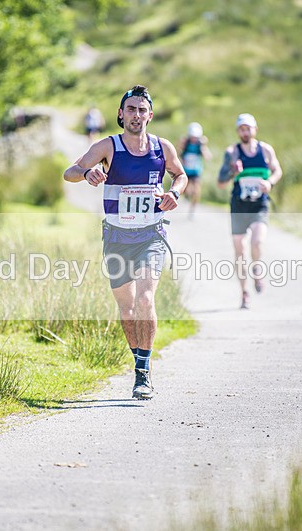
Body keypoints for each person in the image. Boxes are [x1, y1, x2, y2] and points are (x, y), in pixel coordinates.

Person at [64, 85, 188, 399]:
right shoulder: (108, 146)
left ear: (150, 114)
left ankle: (143, 374)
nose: (136, 115)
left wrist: (174, 193)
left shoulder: (163, 147)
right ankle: (139, 359)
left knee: (146, 300)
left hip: (150, 236)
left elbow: (181, 175)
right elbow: (70, 172)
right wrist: (88, 172)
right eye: (130, 109)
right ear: (121, 114)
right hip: (117, 238)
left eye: (142, 109)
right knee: (128, 309)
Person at [217, 113, 282, 310]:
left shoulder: (266, 150)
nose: (245, 132)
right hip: (239, 206)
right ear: (238, 132)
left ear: (255, 129)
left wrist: (269, 182)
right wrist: (232, 172)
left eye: (248, 128)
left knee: (257, 241)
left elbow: (278, 170)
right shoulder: (232, 153)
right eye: (241, 129)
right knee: (240, 251)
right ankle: (244, 292)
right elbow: (220, 183)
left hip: (259, 204)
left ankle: (257, 270)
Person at [177, 122, 211, 218]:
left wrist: (203, 147)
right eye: (192, 137)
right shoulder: (185, 143)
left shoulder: (200, 145)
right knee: (187, 191)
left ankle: (192, 210)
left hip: (196, 171)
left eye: (196, 137)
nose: (194, 139)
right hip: (186, 171)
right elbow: (178, 153)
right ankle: (187, 197)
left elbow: (208, 157)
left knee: (196, 191)